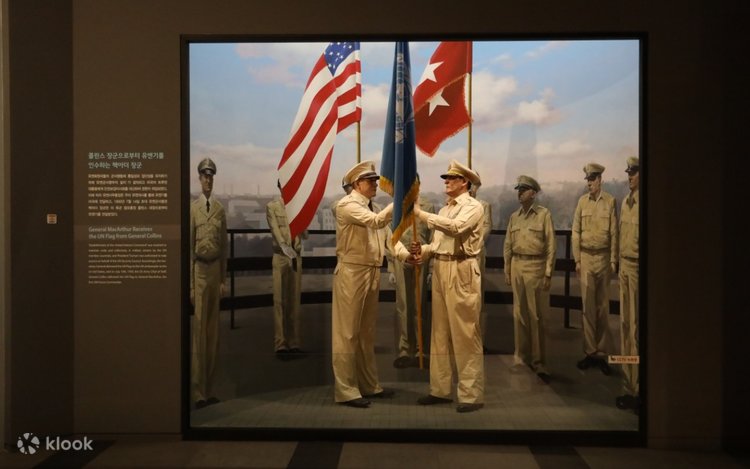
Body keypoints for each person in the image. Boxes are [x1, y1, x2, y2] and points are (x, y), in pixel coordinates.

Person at [397, 159, 485, 413]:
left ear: (464, 182)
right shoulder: (445, 210)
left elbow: (457, 229)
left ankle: (471, 395)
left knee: (465, 334)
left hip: (462, 269)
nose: (446, 182)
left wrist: (420, 214)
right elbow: (437, 245)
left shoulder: (473, 207)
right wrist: (422, 251)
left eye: (451, 178)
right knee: (440, 334)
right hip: (441, 269)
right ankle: (440, 389)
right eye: (446, 178)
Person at [332, 160, 394, 408]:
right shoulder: (347, 205)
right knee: (347, 334)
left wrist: (408, 255)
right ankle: (346, 391)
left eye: (375, 180)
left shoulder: (372, 208)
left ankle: (369, 385)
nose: (375, 184)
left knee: (366, 334)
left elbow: (389, 241)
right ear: (357, 184)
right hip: (352, 272)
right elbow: (377, 222)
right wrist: (399, 201)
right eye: (370, 181)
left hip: (371, 271)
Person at [503, 175, 556, 383]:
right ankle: (521, 357)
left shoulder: (543, 215)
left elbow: (551, 246)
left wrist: (548, 272)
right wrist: (507, 269)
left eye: (524, 190)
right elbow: (508, 245)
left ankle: (539, 361)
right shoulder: (514, 217)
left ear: (533, 193)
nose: (520, 193)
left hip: (536, 267)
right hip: (518, 265)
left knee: (536, 316)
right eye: (519, 189)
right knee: (520, 315)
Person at [572, 162, 618, 375]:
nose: (589, 183)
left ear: (600, 180)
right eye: (588, 180)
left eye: (592, 179)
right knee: (587, 308)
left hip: (604, 258)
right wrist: (577, 260)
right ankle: (590, 352)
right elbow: (576, 232)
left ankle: (602, 353)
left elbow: (614, 232)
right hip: (586, 259)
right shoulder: (582, 202)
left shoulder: (610, 202)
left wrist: (613, 260)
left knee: (602, 308)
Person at [190, 157, 228, 410]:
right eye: (205, 176)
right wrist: (191, 286)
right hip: (200, 271)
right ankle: (198, 392)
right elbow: (188, 249)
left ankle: (210, 388)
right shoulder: (193, 209)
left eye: (211, 176)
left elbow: (224, 247)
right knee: (199, 333)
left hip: (215, 271)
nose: (208, 180)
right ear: (199, 178)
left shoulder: (219, 209)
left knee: (213, 334)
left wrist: (223, 279)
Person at [386, 194, 434, 369]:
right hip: (401, 259)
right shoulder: (395, 207)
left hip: (422, 258)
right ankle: (405, 349)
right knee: (404, 305)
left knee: (420, 306)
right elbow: (390, 238)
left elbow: (433, 237)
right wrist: (391, 267)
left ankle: (422, 349)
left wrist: (431, 267)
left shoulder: (427, 206)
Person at [266, 181, 307, 357]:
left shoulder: (296, 208)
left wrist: (303, 214)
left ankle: (294, 341)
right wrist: (285, 247)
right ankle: (280, 343)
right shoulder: (272, 207)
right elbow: (276, 231)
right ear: (280, 186)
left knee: (294, 300)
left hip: (295, 257)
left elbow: (305, 234)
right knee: (279, 300)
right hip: (281, 257)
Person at [617, 157, 640, 412]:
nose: (630, 177)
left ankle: (640, 388)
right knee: (625, 327)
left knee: (636, 329)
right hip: (625, 267)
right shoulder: (626, 202)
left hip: (637, 268)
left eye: (634, 172)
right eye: (629, 173)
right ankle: (628, 386)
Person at [469, 176, 493, 353]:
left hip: (476, 254)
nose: (471, 188)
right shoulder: (455, 206)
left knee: (478, 299)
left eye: (474, 185)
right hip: (461, 256)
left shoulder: (483, 206)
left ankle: (478, 341)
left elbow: (486, 227)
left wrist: (473, 242)